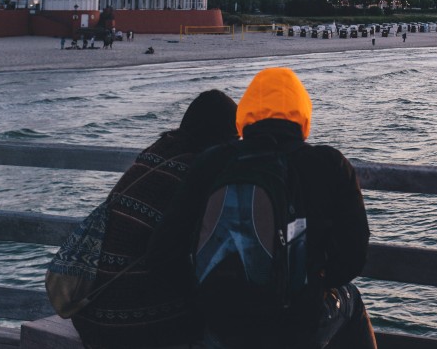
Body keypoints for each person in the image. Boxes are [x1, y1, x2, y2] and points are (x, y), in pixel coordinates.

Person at [155, 68, 373, 349]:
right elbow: (354, 255)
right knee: (350, 298)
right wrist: (312, 284)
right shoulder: (329, 163)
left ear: (245, 112)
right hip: (297, 326)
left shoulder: (213, 162)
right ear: (303, 113)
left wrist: (205, 297)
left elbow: (162, 251)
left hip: (223, 325)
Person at [73, 90, 239, 349]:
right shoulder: (196, 170)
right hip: (132, 325)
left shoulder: (155, 154)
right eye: (233, 137)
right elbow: (168, 258)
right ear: (220, 136)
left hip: (89, 315)